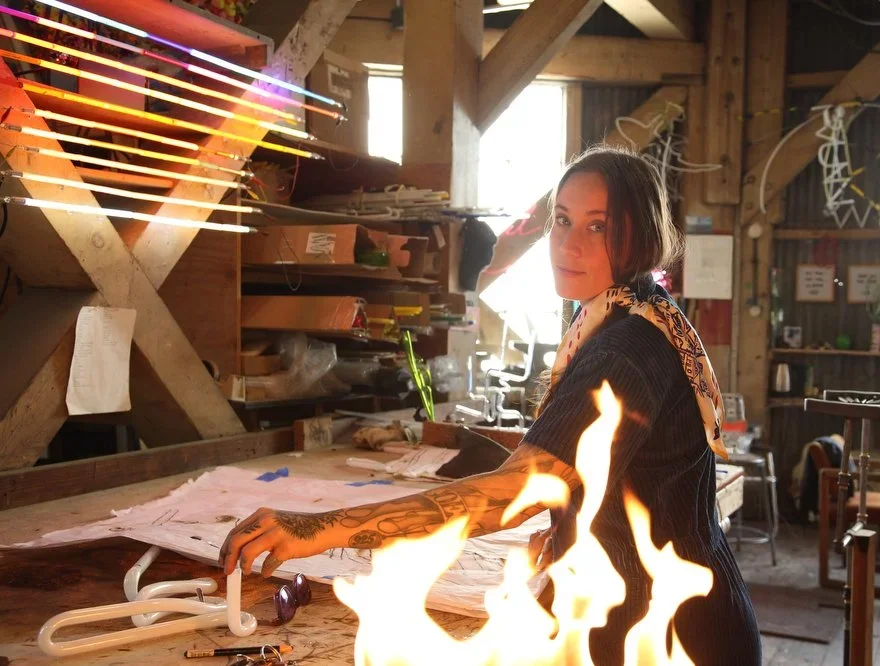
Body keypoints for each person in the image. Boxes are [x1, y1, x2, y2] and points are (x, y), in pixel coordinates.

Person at [220, 146, 762, 665]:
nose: (568, 245)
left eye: (599, 226)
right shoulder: (634, 310)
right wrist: (579, 525)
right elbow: (636, 471)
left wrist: (316, 530)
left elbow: (509, 495)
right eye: (564, 220)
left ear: (640, 235)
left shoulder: (623, 350)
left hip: (675, 639)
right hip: (663, 614)